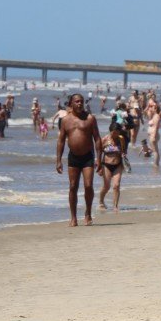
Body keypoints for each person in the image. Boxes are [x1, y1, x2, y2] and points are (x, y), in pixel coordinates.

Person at [55, 94, 102, 226]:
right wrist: (58, 160)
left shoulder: (90, 118)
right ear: (71, 103)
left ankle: (87, 213)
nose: (80, 104)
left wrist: (99, 158)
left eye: (81, 101)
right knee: (72, 187)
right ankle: (73, 217)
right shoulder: (65, 120)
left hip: (88, 156)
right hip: (73, 157)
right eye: (77, 102)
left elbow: (97, 139)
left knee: (88, 186)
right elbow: (61, 141)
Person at [98, 122, 127, 213]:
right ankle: (101, 201)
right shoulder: (104, 140)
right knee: (106, 186)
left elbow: (124, 150)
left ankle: (115, 206)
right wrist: (99, 166)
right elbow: (99, 153)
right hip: (106, 165)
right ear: (110, 131)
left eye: (117, 132)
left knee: (116, 185)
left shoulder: (121, 139)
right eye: (113, 132)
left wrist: (123, 154)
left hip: (118, 165)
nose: (115, 134)